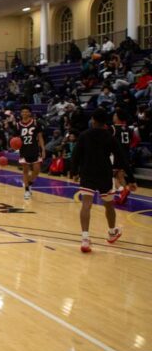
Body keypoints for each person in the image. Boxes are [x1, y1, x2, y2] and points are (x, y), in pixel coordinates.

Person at [71, 108, 129, 253]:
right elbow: (121, 157)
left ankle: (85, 238)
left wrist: (73, 172)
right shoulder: (110, 137)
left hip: (88, 173)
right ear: (105, 122)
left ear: (93, 120)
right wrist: (130, 178)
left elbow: (76, 155)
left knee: (86, 204)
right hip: (104, 174)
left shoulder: (84, 135)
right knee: (109, 206)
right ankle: (111, 232)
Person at [17, 105, 46, 200]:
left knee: (37, 170)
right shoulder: (18, 125)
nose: (24, 113)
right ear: (21, 113)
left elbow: (40, 137)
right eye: (23, 112)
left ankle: (29, 184)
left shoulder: (36, 123)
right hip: (23, 150)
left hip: (34, 149)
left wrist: (43, 149)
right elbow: (15, 139)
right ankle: (26, 190)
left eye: (26, 112)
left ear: (29, 113)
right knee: (25, 170)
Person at [111, 109, 137, 205]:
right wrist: (129, 146)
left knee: (112, 176)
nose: (113, 116)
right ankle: (123, 195)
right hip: (126, 155)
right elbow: (136, 139)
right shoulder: (128, 129)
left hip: (116, 155)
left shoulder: (113, 128)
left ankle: (123, 191)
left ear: (118, 117)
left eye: (115, 115)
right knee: (120, 175)